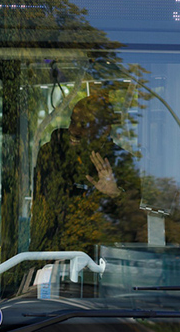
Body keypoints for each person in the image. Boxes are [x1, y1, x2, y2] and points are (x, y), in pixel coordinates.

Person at [29, 89, 145, 255]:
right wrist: (35, 256)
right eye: (72, 122)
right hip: (54, 253)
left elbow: (137, 222)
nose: (74, 130)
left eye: (83, 125)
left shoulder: (123, 162)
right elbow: (41, 211)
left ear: (105, 130)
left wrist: (115, 194)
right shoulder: (52, 154)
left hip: (102, 256)